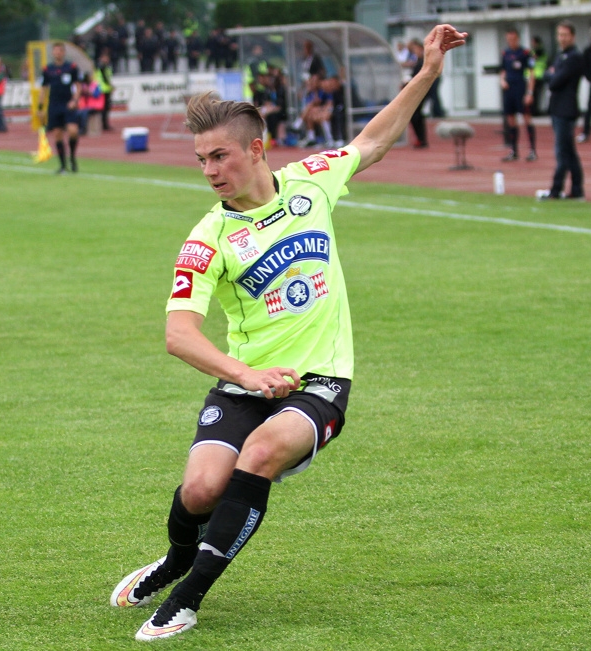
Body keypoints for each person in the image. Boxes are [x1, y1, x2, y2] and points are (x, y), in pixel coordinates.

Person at [109, 23, 468, 642]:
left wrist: (429, 72)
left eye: (219, 155)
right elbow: (179, 335)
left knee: (260, 456)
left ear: (257, 149)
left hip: (320, 380)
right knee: (199, 490)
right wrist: (246, 375)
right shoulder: (207, 239)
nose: (209, 171)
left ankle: (188, 596)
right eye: (201, 160)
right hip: (245, 383)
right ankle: (174, 559)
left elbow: (375, 139)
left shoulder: (312, 182)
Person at [537, 21, 585, 201]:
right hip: (558, 108)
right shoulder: (561, 55)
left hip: (566, 108)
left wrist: (552, 74)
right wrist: (551, 74)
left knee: (563, 151)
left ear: (572, 36)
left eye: (565, 35)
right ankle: (577, 189)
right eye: (559, 35)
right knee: (569, 152)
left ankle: (556, 189)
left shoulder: (574, 57)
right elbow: (548, 76)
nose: (562, 39)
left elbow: (555, 80)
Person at [39, 43, 81, 174]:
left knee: (73, 131)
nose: (57, 53)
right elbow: (44, 88)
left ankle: (72, 157)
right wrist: (40, 107)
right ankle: (63, 165)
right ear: (53, 53)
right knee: (57, 134)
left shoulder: (71, 67)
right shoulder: (47, 69)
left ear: (63, 53)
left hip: (67, 103)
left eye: (59, 51)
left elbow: (78, 86)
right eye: (55, 51)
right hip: (54, 105)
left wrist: (74, 100)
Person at [500, 28, 537, 162]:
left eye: (513, 39)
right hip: (509, 89)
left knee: (526, 118)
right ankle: (514, 150)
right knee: (510, 119)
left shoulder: (526, 53)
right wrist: (502, 80)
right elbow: (503, 70)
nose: (511, 42)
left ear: (518, 38)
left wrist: (529, 92)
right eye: (508, 39)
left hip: (521, 87)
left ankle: (532, 150)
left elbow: (532, 73)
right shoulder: (505, 53)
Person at [407, 39, 428, 148]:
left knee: (416, 115)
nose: (413, 51)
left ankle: (421, 139)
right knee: (416, 115)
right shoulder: (418, 61)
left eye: (414, 49)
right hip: (417, 91)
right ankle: (420, 138)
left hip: (420, 91)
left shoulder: (423, 62)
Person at [96, 52, 115, 131]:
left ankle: (104, 124)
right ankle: (104, 125)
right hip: (104, 90)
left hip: (105, 89)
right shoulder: (102, 67)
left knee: (105, 108)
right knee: (104, 108)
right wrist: (110, 86)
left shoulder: (105, 67)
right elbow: (105, 78)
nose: (106, 59)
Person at [530, 35, 548, 117]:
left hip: (538, 75)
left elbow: (534, 59)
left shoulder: (540, 50)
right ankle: (533, 110)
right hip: (535, 75)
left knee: (536, 94)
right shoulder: (535, 51)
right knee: (534, 94)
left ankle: (535, 111)